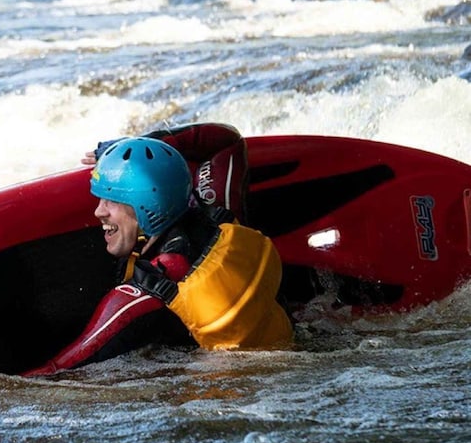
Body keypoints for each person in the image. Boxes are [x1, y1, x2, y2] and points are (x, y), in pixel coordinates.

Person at [23, 123, 293, 376]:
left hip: (226, 390)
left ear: (145, 204)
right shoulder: (222, 217)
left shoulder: (150, 290)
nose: (98, 211)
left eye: (111, 200)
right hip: (290, 355)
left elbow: (61, 371)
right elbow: (227, 141)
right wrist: (136, 149)